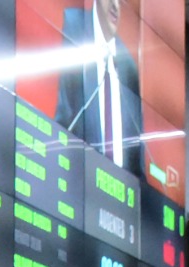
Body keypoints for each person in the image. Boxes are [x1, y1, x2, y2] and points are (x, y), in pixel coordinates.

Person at [54, 0, 144, 173]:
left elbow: (137, 165)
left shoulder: (130, 69)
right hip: (77, 179)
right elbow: (64, 119)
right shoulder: (75, 26)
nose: (116, 6)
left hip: (118, 194)